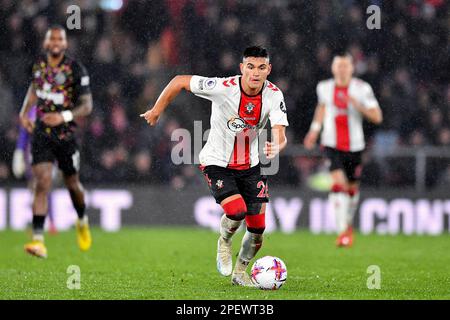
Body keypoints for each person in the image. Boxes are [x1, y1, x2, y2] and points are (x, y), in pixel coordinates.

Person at [141, 46, 289, 286]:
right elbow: (180, 81)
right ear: (242, 68)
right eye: (250, 66)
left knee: (258, 230)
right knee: (236, 211)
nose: (255, 73)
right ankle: (224, 240)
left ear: (268, 70)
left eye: (261, 67)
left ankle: (240, 273)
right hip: (217, 162)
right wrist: (157, 110)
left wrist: (277, 145)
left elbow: (280, 133)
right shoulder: (223, 88)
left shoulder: (274, 95)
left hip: (251, 165)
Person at [19, 25, 93, 258]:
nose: (56, 42)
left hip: (66, 135)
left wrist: (63, 116)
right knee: (42, 182)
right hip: (41, 133)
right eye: (52, 38)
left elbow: (87, 105)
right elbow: (34, 89)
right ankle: (38, 241)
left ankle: (82, 219)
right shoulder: (38, 66)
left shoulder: (75, 69)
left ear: (65, 43)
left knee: (73, 185)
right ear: (46, 43)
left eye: (60, 38)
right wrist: (24, 112)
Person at [304, 53, 382, 247]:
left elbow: (377, 117)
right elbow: (322, 108)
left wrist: (358, 106)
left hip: (355, 147)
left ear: (352, 68)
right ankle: (342, 232)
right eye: (338, 65)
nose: (342, 69)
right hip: (331, 144)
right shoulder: (324, 87)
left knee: (351, 189)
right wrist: (314, 131)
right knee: (338, 184)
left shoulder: (362, 89)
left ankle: (347, 225)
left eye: (345, 66)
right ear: (333, 68)